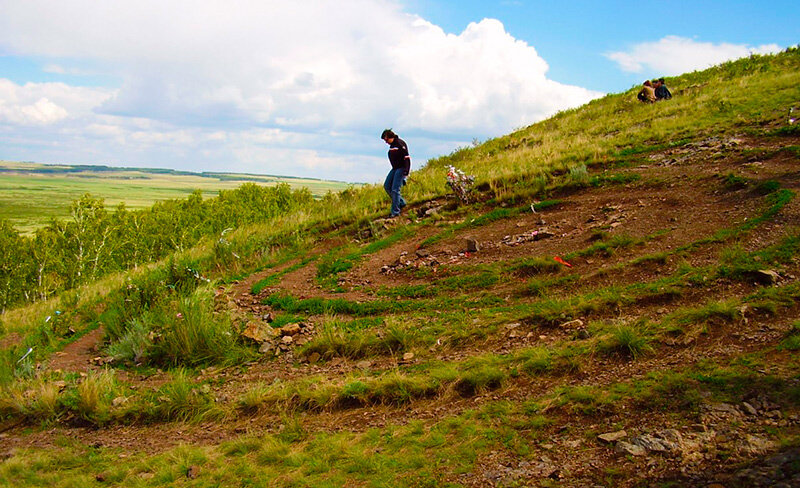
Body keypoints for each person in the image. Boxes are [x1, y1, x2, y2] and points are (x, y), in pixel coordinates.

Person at [380, 129, 411, 218]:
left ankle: (395, 211)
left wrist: (406, 172)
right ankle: (401, 202)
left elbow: (407, 158)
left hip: (401, 168)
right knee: (387, 186)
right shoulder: (392, 145)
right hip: (395, 168)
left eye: (386, 140)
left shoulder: (400, 144)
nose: (386, 142)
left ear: (390, 137)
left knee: (395, 189)